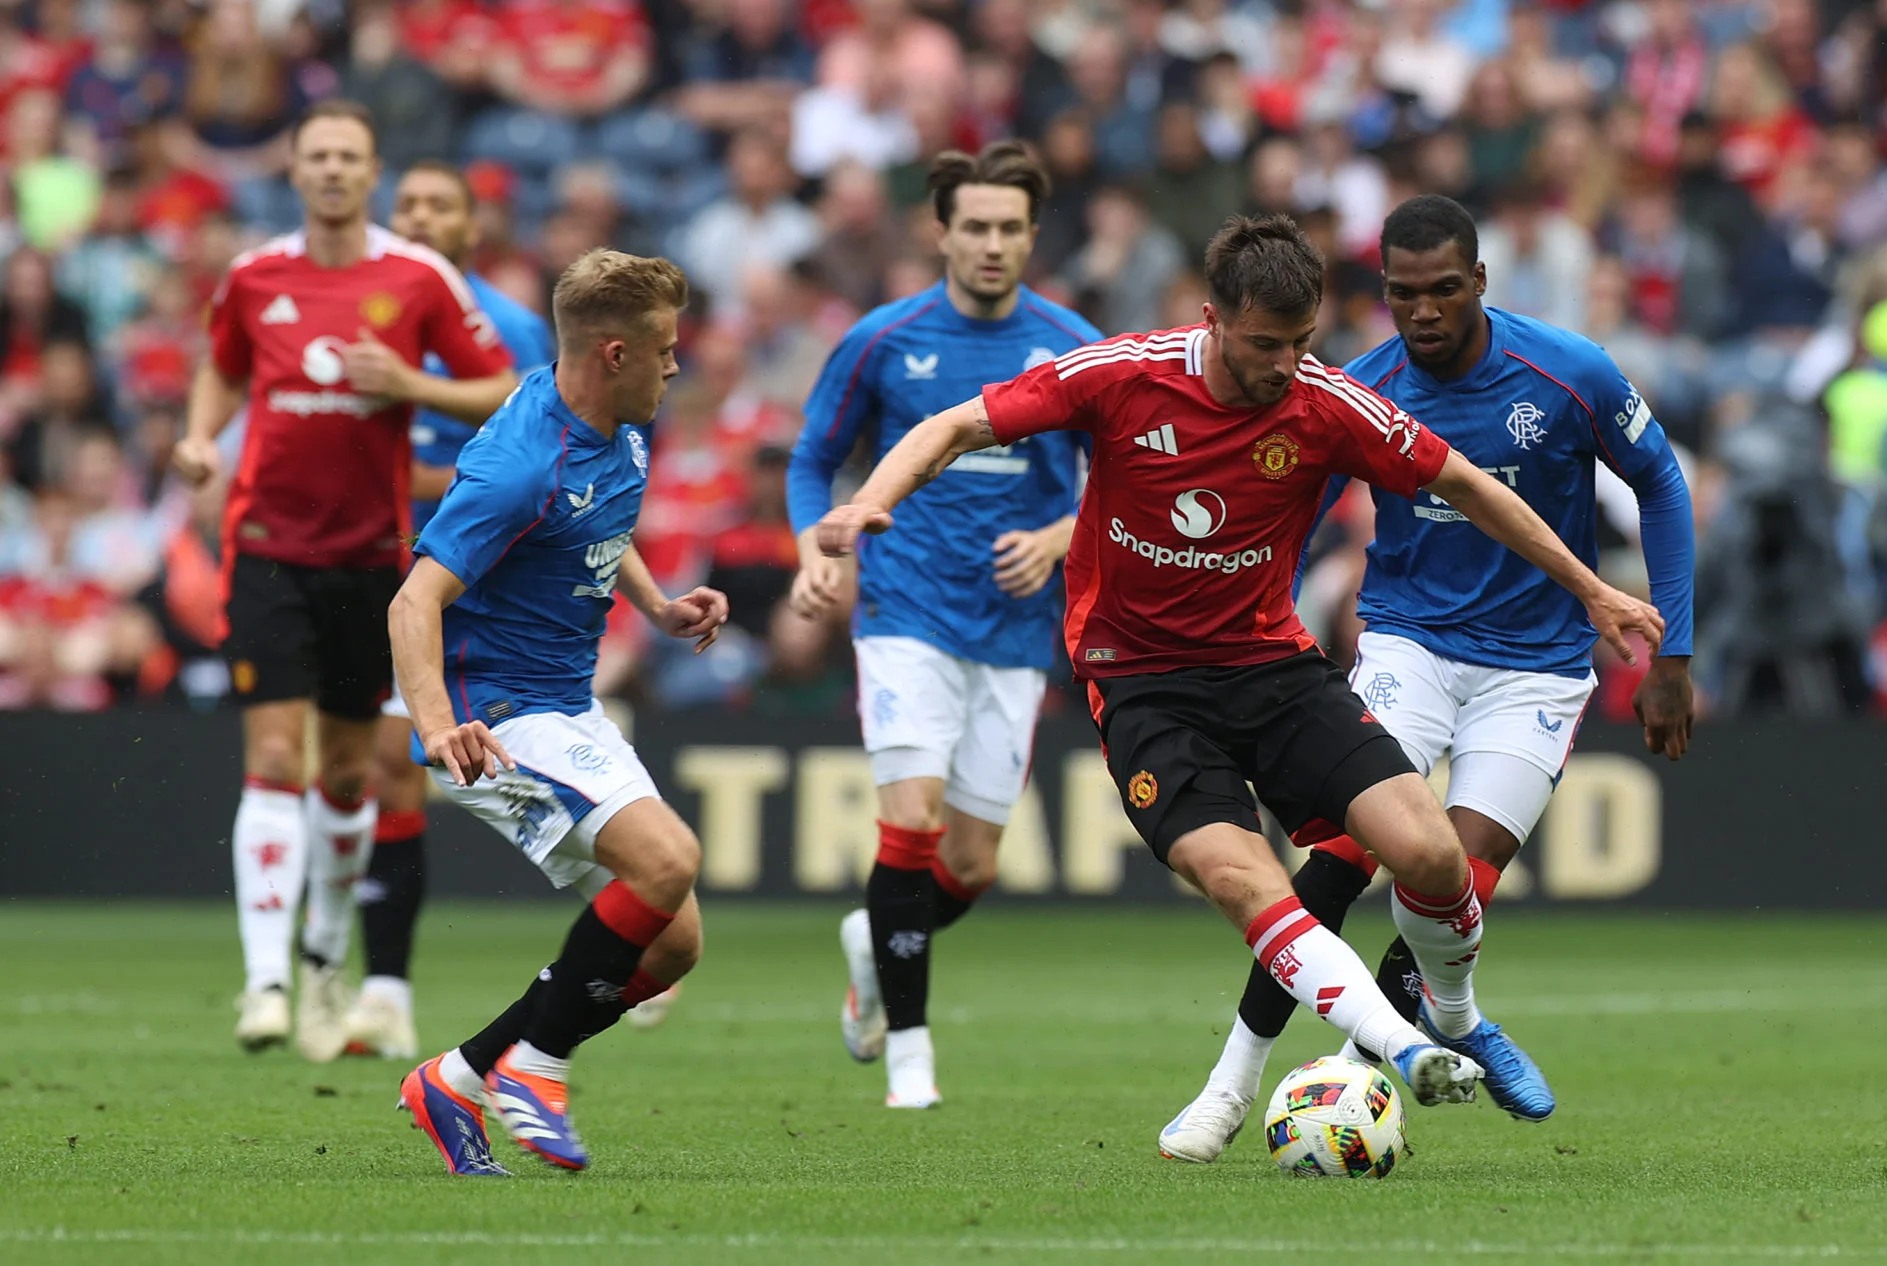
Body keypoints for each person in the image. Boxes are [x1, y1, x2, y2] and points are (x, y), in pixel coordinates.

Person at [815, 213, 1668, 1131]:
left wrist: (1592, 590)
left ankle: (1450, 1020)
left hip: (1272, 669)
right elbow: (952, 426)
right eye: (1266, 344)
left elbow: (1467, 484)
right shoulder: (1121, 374)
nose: (1285, 365)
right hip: (1142, 684)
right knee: (1246, 880)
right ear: (1213, 318)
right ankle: (1399, 1048)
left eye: (1302, 343)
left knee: (1429, 853)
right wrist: (869, 502)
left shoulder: (1327, 400)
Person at [1157, 193, 1698, 1163]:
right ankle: (1229, 1083)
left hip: (1536, 669)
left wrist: (1676, 652)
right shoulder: (1358, 389)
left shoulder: (1568, 372)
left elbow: (1659, 481)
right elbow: (1291, 511)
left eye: (1445, 289)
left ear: (1480, 281)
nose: (1425, 311)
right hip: (1407, 644)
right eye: (1404, 293)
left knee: (1455, 881)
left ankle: (1454, 1013)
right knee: (1343, 860)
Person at [171, 99, 519, 1060]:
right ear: (294, 169)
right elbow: (221, 370)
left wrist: (412, 388)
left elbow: (499, 385)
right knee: (276, 757)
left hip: (372, 557)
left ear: (371, 174)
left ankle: (325, 957)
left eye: (348, 157)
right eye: (316, 155)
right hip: (267, 547)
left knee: (348, 771)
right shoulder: (254, 276)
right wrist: (202, 436)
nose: (331, 170)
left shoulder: (416, 278)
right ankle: (266, 981)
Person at [390, 248, 726, 1176]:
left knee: (677, 940)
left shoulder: (617, 417)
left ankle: (457, 1077)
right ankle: (535, 1065)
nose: (675, 365)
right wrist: (433, 726)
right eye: (663, 349)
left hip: (566, 704)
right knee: (669, 860)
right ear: (613, 353)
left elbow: (597, 525)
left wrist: (656, 606)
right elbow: (412, 602)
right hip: (491, 710)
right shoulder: (517, 462)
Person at [787, 141, 1101, 1109]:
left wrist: (1058, 536)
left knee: (969, 864)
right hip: (903, 606)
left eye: (1010, 228)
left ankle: (871, 941)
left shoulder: (1073, 343)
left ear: (1033, 236)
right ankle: (911, 1056)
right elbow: (813, 460)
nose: (993, 245)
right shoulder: (884, 339)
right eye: (975, 227)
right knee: (910, 822)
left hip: (1012, 623)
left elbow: (1131, 477)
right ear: (941, 232)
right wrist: (815, 547)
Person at [339, 158, 557, 1062]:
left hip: (483, 585)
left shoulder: (506, 332)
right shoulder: (358, 313)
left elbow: (533, 457)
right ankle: (382, 989)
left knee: (439, 761)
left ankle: (630, 911)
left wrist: (408, 447)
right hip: (367, 569)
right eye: (411, 204)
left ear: (475, 227)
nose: (423, 217)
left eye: (443, 207)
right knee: (382, 769)